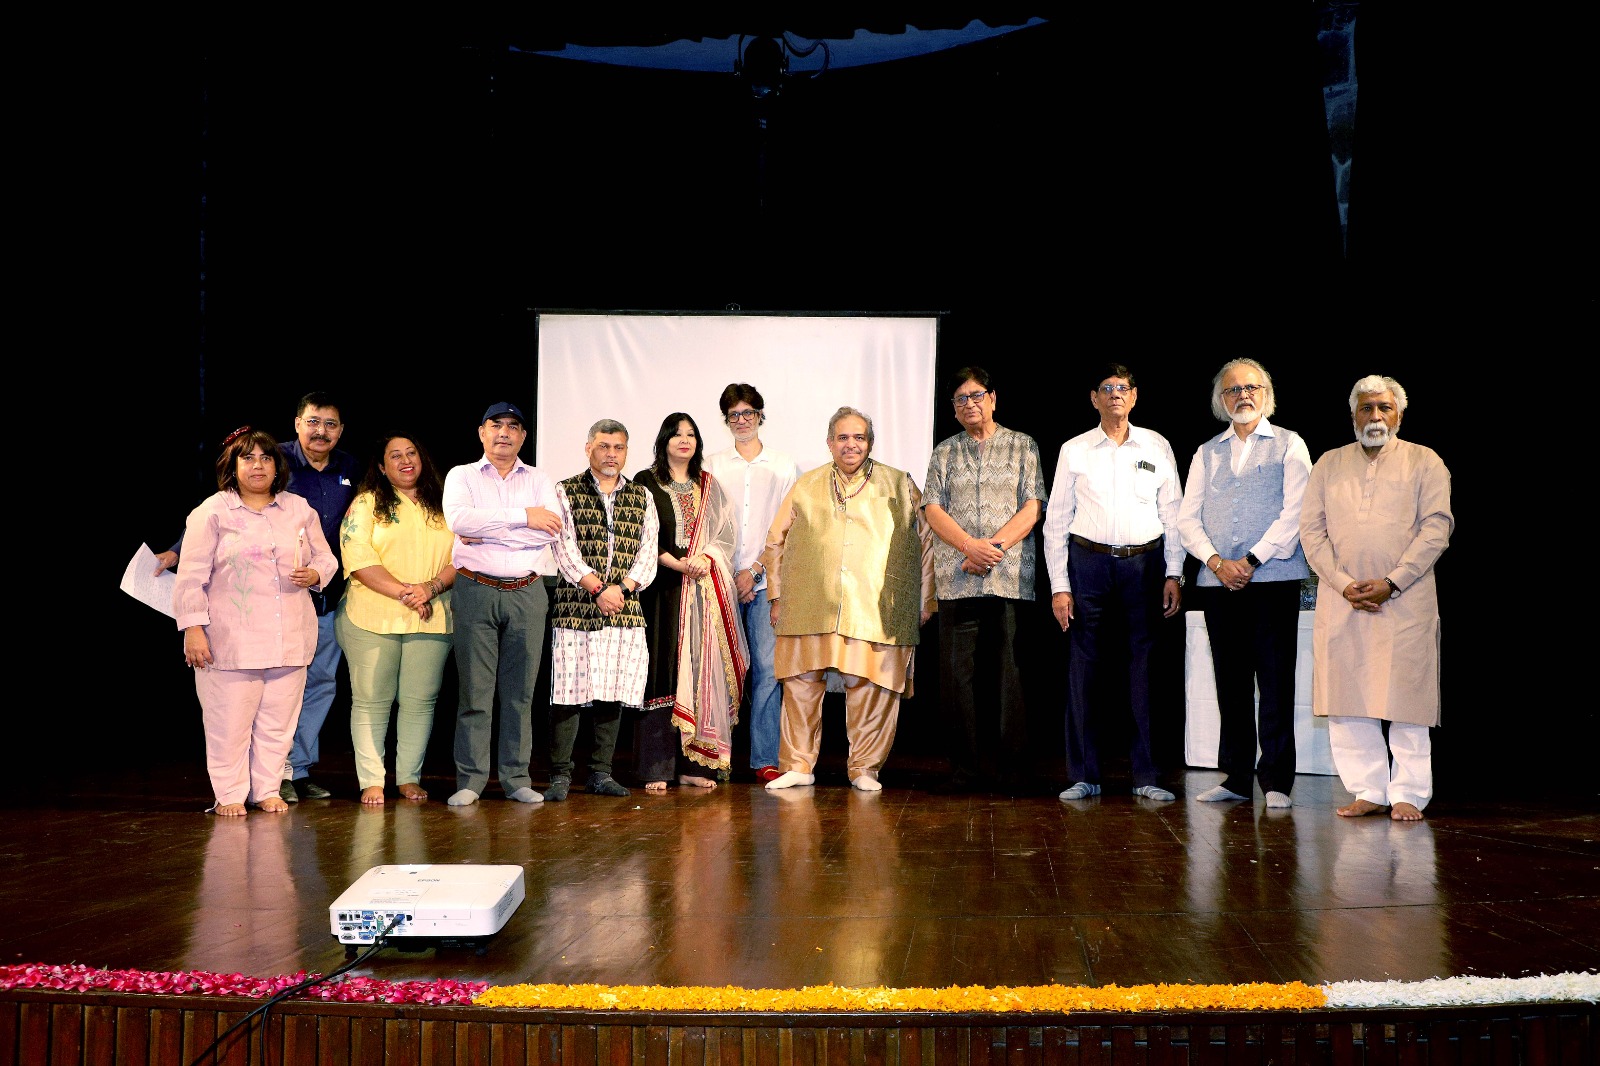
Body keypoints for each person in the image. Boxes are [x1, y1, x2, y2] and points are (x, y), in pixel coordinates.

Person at [156, 391, 360, 803]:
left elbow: (326, 557)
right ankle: (231, 794)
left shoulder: (297, 509)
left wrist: (316, 573)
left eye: (266, 458)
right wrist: (192, 629)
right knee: (229, 723)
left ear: (277, 466)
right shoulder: (211, 512)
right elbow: (190, 578)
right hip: (231, 641)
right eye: (248, 458)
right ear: (232, 466)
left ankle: (267, 790)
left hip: (289, 639)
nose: (258, 465)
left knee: (277, 723)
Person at [1300, 374, 1452, 822]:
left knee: (1407, 697)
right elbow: (1311, 531)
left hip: (1406, 598)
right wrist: (1342, 582)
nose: (1375, 416)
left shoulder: (1425, 461)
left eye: (1384, 407)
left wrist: (1393, 581)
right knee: (1347, 696)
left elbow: (1437, 527)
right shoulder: (1329, 463)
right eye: (1366, 408)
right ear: (1353, 415)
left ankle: (1409, 792)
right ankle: (1368, 789)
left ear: (1399, 415)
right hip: (1341, 597)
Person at [762, 407, 936, 792]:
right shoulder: (806, 484)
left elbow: (926, 542)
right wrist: (776, 594)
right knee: (801, 682)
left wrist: (926, 598)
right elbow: (775, 542)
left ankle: (864, 769)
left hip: (874, 607)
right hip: (809, 602)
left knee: (869, 683)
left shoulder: (899, 483)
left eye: (859, 437)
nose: (851, 445)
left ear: (870, 443)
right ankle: (798, 765)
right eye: (843, 438)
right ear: (830, 443)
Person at [1042, 363, 1185, 804]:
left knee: (1145, 670)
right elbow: (1056, 521)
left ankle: (1147, 775)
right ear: (1094, 398)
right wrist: (1060, 586)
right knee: (1084, 668)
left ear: (1135, 396)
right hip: (1088, 564)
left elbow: (1174, 515)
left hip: (1144, 565)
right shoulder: (1075, 450)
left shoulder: (1157, 445)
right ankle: (1084, 775)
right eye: (1107, 388)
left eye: (1123, 387)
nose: (1115, 394)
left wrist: (1174, 572)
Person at [1176, 358, 1312, 809]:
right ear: (1221, 400)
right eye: (1233, 389)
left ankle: (1276, 780)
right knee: (1230, 682)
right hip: (1219, 583)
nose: (1243, 395)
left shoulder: (1290, 444)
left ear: (1266, 394)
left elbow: (1296, 512)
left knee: (1275, 681)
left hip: (1272, 579)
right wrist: (1217, 562)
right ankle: (1235, 777)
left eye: (1252, 387)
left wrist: (1251, 560)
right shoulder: (1206, 451)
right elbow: (1187, 518)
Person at [921, 366, 1048, 794]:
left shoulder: (1023, 445)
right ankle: (965, 771)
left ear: (993, 398)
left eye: (976, 395)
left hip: (1009, 576)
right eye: (961, 399)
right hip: (958, 577)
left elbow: (1033, 507)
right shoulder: (945, 452)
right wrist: (968, 547)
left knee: (1012, 673)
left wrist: (991, 548)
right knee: (957, 678)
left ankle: (1014, 772)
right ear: (954, 409)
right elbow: (932, 509)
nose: (969, 404)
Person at [441, 401, 565, 807]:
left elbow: (549, 532)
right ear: (482, 432)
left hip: (527, 592)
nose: (504, 433)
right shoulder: (462, 476)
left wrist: (489, 528)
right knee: (474, 694)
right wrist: (524, 517)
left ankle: (516, 778)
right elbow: (460, 522)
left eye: (513, 426)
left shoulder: (540, 480)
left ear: (523, 436)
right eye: (496, 425)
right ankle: (471, 780)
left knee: (520, 694)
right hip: (475, 589)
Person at [335, 433, 457, 805]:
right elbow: (357, 556)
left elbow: (466, 555)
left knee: (420, 701)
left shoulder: (446, 503)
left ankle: (408, 777)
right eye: (395, 456)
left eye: (411, 453)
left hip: (432, 614)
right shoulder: (367, 503)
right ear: (382, 467)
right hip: (372, 614)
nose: (405, 460)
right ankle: (371, 779)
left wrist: (430, 589)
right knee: (372, 699)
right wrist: (408, 593)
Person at [546, 418, 660, 800]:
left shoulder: (641, 496)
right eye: (604, 446)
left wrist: (621, 589)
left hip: (623, 609)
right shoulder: (565, 491)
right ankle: (560, 775)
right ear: (588, 448)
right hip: (576, 607)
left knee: (613, 688)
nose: (612, 454)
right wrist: (596, 587)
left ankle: (601, 773)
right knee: (568, 690)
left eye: (619, 447)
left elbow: (648, 554)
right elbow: (562, 547)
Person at [635, 413, 750, 790]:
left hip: (701, 590)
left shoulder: (707, 484)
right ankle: (656, 768)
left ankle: (693, 765)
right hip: (660, 588)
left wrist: (706, 557)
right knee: (662, 670)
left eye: (691, 434)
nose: (684, 440)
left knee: (699, 669)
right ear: (664, 440)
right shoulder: (645, 482)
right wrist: (677, 563)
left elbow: (725, 534)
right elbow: (640, 535)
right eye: (677, 434)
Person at [704, 383, 801, 784]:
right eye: (734, 415)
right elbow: (704, 525)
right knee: (717, 670)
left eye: (748, 413)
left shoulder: (783, 466)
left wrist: (756, 570)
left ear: (761, 415)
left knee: (766, 670)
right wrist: (730, 573)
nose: (742, 421)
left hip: (765, 584)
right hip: (720, 582)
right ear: (726, 420)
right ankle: (715, 757)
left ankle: (763, 758)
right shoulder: (711, 465)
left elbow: (790, 527)